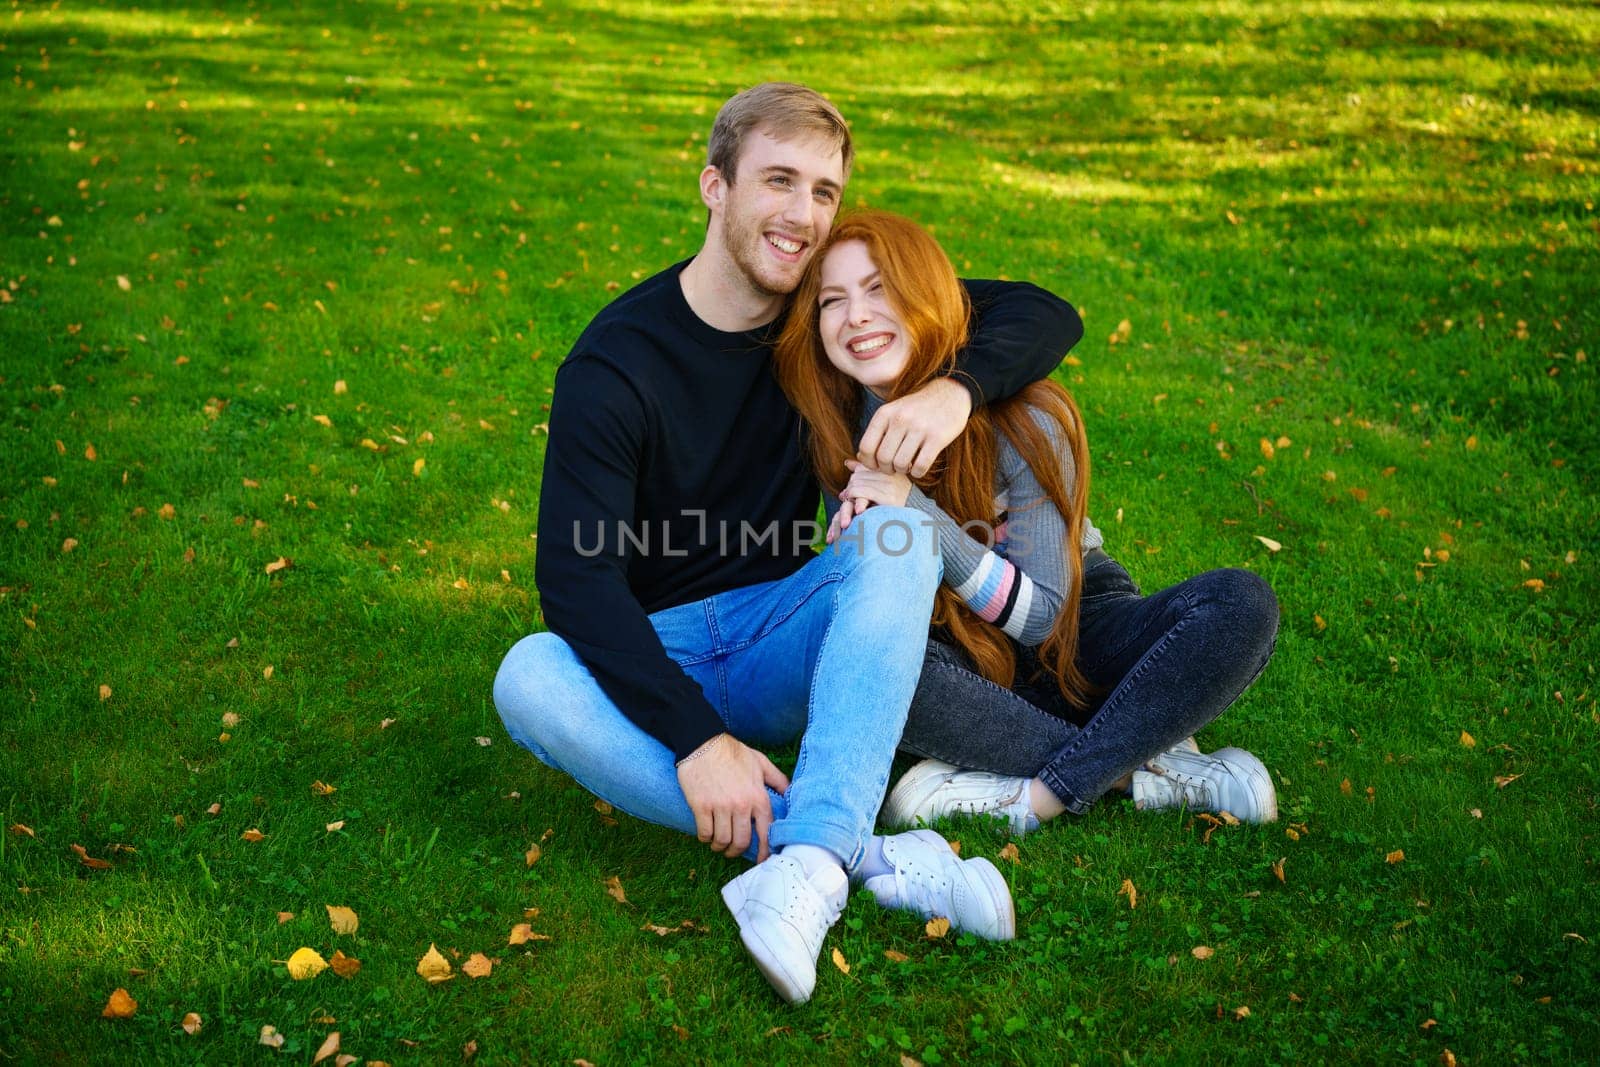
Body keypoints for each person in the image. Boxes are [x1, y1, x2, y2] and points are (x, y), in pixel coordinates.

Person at [492, 84, 1084, 1003]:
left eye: (823, 191)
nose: (804, 215)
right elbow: (575, 580)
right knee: (526, 673)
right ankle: (855, 854)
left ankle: (806, 865)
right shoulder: (616, 364)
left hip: (785, 634)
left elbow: (1044, 312)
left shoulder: (825, 318)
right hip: (662, 648)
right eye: (779, 181)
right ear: (714, 186)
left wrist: (952, 392)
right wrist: (694, 739)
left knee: (896, 533)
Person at [773, 211, 1280, 838]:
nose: (856, 316)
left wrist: (915, 514)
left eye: (879, 288)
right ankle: (1145, 762)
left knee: (1240, 604)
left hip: (1076, 622)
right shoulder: (833, 427)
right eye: (832, 301)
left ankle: (1037, 793)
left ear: (929, 295)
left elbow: (1044, 616)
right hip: (950, 634)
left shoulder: (1026, 414)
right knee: (869, 662)